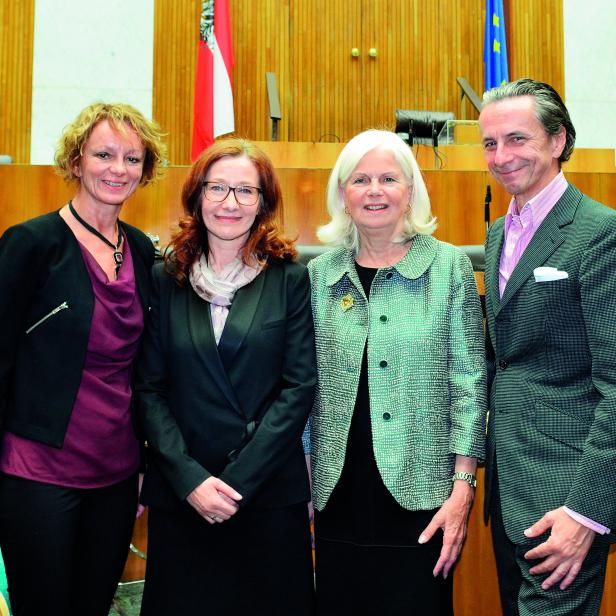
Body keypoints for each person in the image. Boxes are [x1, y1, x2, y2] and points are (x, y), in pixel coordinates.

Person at [135, 138, 316, 616]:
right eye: (217, 188)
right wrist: (192, 480)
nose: (229, 203)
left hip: (266, 492)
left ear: (263, 202)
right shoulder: (165, 276)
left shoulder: (289, 277)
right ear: (197, 195)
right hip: (185, 493)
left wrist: (237, 482)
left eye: (244, 191)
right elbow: (149, 389)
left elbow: (298, 389)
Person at [308, 129, 486, 615]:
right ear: (342, 193)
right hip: (336, 496)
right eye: (360, 179)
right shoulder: (318, 275)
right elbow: (303, 387)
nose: (374, 190)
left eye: (389, 178)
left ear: (411, 190)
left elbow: (470, 382)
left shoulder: (449, 268)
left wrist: (463, 488)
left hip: (423, 496)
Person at [0, 102, 166, 616]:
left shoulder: (143, 251)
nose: (118, 169)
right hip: (37, 471)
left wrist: (145, 464)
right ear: (76, 161)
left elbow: (146, 371)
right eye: (104, 154)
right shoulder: (30, 244)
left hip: (115, 475)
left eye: (132, 159)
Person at [479, 78, 616, 615]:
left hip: (567, 501)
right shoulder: (497, 233)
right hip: (510, 490)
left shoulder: (601, 232)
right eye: (490, 144)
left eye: (517, 139)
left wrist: (587, 513)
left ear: (558, 140)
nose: (502, 156)